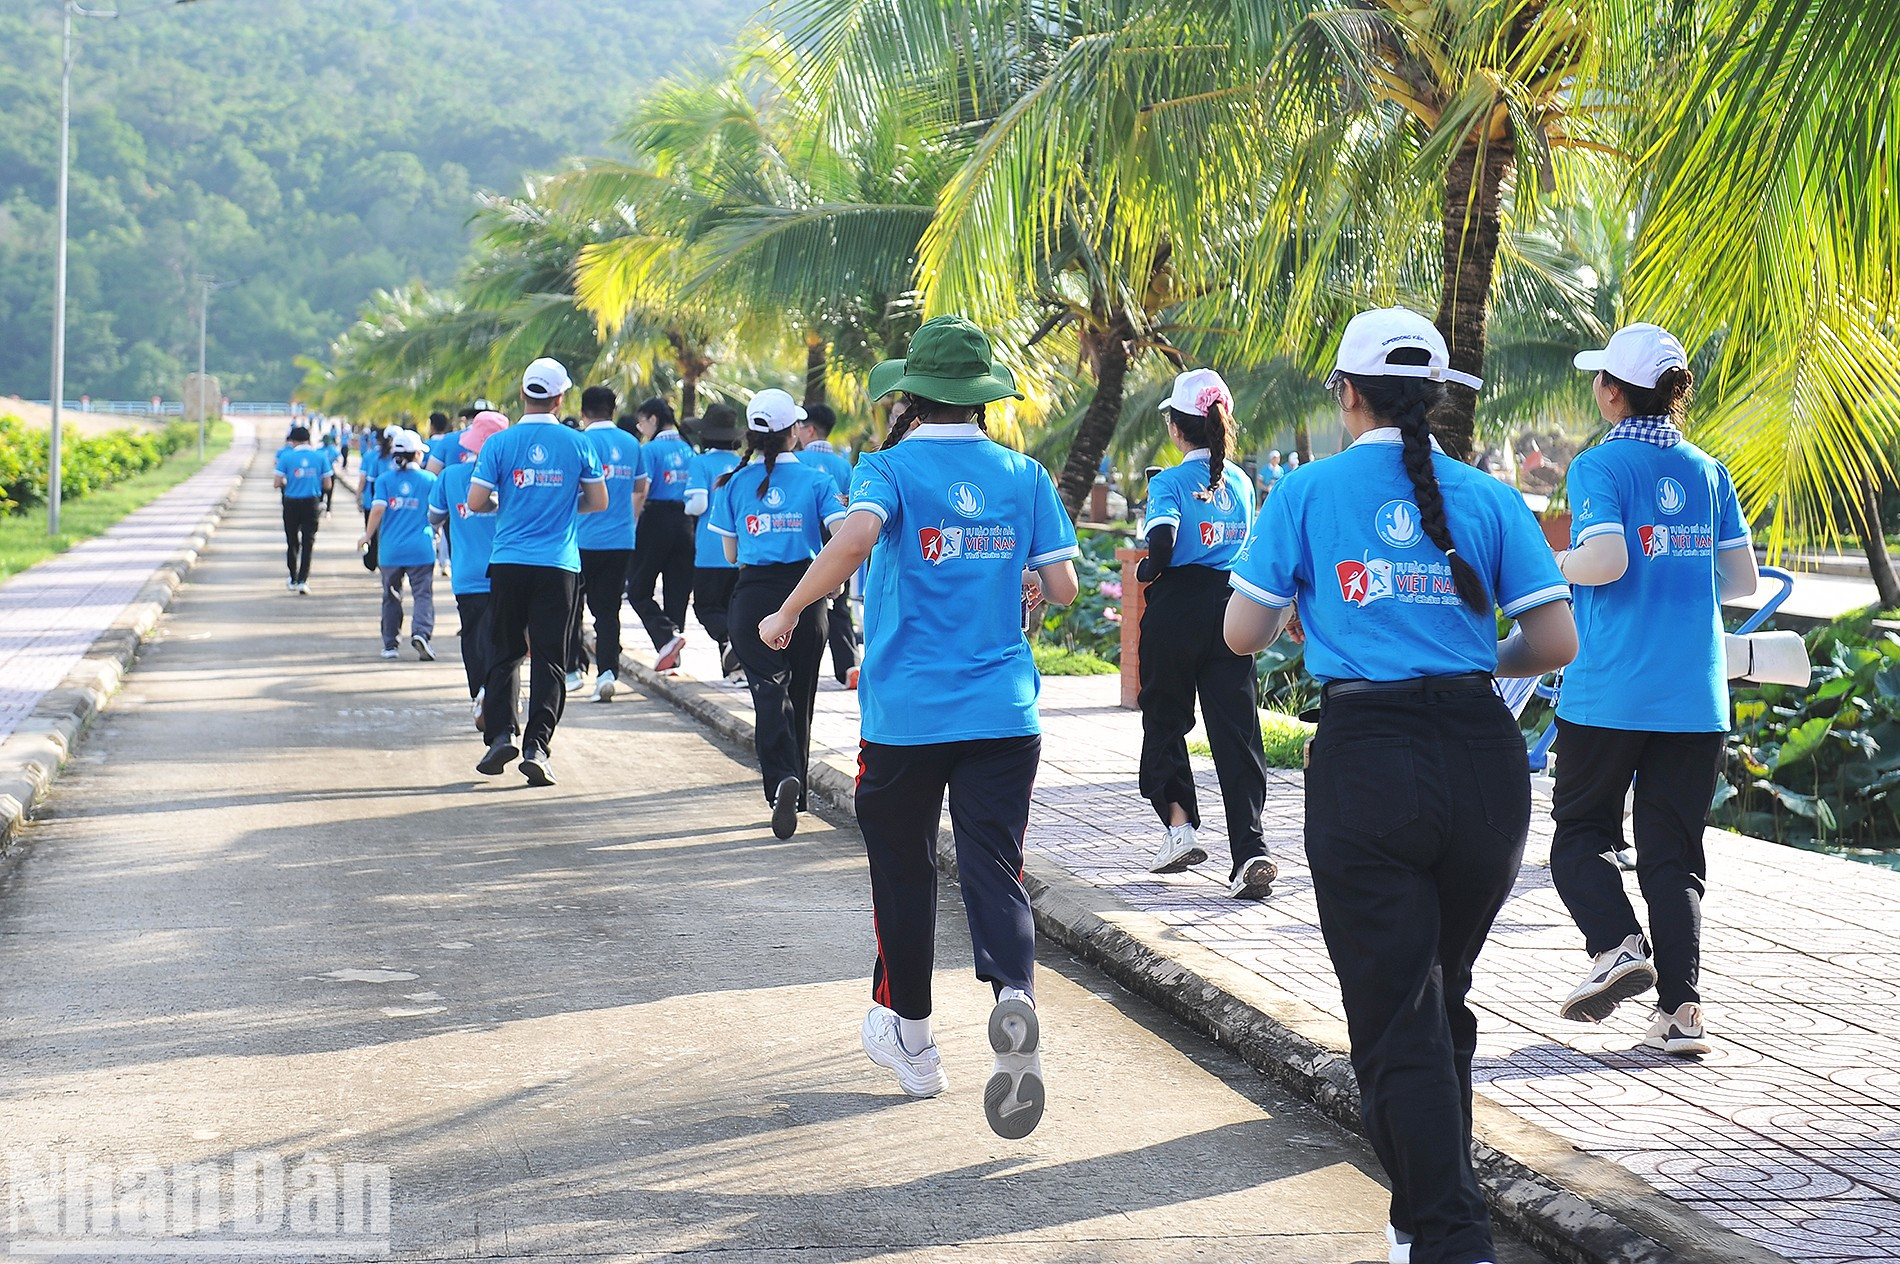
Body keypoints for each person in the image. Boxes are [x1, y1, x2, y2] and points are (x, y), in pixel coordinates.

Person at [1224, 306, 1577, 1264]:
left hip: (1367, 763)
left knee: (1394, 1016)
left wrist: (1320, 609)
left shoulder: (1304, 493)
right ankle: (1421, 1219)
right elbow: (1554, 644)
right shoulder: (1493, 497)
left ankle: (1451, 1236)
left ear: (1346, 394)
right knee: (1436, 996)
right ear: (1438, 397)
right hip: (1484, 767)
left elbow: (1240, 636)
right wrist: (1468, 654)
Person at [756, 315, 1081, 1141]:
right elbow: (1067, 584)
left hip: (907, 719)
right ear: (981, 397)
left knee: (901, 872)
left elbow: (857, 537)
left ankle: (914, 1040)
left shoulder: (889, 468)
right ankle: (1014, 995)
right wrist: (1028, 585)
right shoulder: (1024, 473)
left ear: (912, 394)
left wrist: (791, 609)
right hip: (1006, 713)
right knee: (995, 865)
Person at [1549, 322, 1757, 1057]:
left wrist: (1557, 565)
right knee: (1674, 856)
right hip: (1694, 700)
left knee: (1580, 835)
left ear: (1611, 391)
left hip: (1610, 692)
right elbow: (1742, 581)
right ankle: (1682, 1011)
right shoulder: (1707, 470)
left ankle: (1615, 946)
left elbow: (1603, 560)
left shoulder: (1600, 467)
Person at [1135, 369, 1277, 899]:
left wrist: (1149, 570)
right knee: (1237, 733)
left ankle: (1180, 829)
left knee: (1166, 720)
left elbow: (1164, 543)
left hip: (1176, 612)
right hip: (1232, 610)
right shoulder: (1240, 482)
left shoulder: (1167, 483)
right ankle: (1251, 851)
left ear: (1176, 428)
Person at [708, 389, 846, 838]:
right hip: (806, 593)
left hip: (752, 596)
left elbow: (730, 554)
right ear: (794, 433)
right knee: (800, 694)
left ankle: (779, 781)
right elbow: (844, 538)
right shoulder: (819, 482)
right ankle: (798, 790)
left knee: (769, 691)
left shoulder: (732, 483)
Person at [468, 358, 607, 786]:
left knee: (504, 651)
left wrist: (504, 505)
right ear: (560, 398)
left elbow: (476, 503)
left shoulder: (499, 444)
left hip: (509, 560)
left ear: (523, 395)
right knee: (549, 657)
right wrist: (567, 505)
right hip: (558, 565)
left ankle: (500, 736)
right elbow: (598, 501)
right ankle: (537, 748)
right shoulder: (578, 443)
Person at [429, 411, 509, 728]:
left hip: (467, 576)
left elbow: (434, 516)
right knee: (507, 643)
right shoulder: (513, 477)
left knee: (474, 641)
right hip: (508, 571)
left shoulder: (451, 476)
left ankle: (480, 694)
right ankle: (500, 694)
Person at [570, 384, 640, 702]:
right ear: (613, 410)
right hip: (620, 540)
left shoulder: (580, 441)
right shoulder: (631, 443)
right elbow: (640, 488)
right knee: (608, 611)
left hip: (580, 539)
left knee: (572, 608)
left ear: (583, 412)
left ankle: (572, 669)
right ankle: (607, 673)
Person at [626, 398, 697, 671]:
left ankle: (667, 636)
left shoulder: (651, 450)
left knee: (638, 588)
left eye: (641, 421)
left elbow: (642, 490)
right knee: (677, 588)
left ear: (653, 420)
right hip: (686, 521)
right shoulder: (689, 450)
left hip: (655, 520)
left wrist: (632, 523)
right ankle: (672, 652)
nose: (640, 427)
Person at [357, 429, 440, 662]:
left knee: (391, 596)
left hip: (391, 550)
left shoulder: (385, 480)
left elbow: (378, 509)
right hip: (421, 548)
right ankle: (422, 633)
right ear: (417, 455)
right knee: (422, 595)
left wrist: (367, 535)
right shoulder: (429, 480)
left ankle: (390, 644)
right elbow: (437, 512)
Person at [795, 404, 861, 686]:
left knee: (801, 596)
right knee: (838, 602)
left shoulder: (795, 461)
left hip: (805, 537)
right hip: (839, 534)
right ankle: (847, 666)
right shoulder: (843, 465)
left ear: (809, 430)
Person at [683, 404, 745, 675]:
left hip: (710, 548)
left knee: (706, 607)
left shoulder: (700, 463)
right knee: (734, 608)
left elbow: (697, 504)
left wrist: (684, 506)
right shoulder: (745, 464)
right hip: (742, 549)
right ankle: (736, 671)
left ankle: (731, 640)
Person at [273, 425, 333, 594]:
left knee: (292, 541)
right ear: (308, 440)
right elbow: (327, 484)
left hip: (291, 503)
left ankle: (292, 577)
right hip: (311, 503)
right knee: (308, 541)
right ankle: (303, 580)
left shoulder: (286, 457)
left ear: (292, 441)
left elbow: (277, 482)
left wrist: (288, 482)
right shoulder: (320, 457)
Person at [318, 429, 342, 514]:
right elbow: (338, 460)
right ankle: (328, 509)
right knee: (329, 492)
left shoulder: (319, 451)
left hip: (320, 474)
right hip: (330, 472)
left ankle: (320, 505)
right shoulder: (334, 450)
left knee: (320, 491)